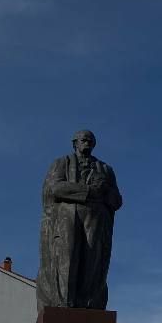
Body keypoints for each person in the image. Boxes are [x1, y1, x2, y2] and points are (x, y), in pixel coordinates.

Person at [36, 129, 124, 311]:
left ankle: (89, 304)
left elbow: (117, 201)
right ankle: (64, 303)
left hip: (95, 220)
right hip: (67, 217)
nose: (87, 143)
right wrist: (90, 192)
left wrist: (105, 190)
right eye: (84, 140)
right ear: (74, 143)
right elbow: (55, 188)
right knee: (67, 258)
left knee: (93, 261)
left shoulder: (106, 169)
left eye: (91, 141)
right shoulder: (61, 163)